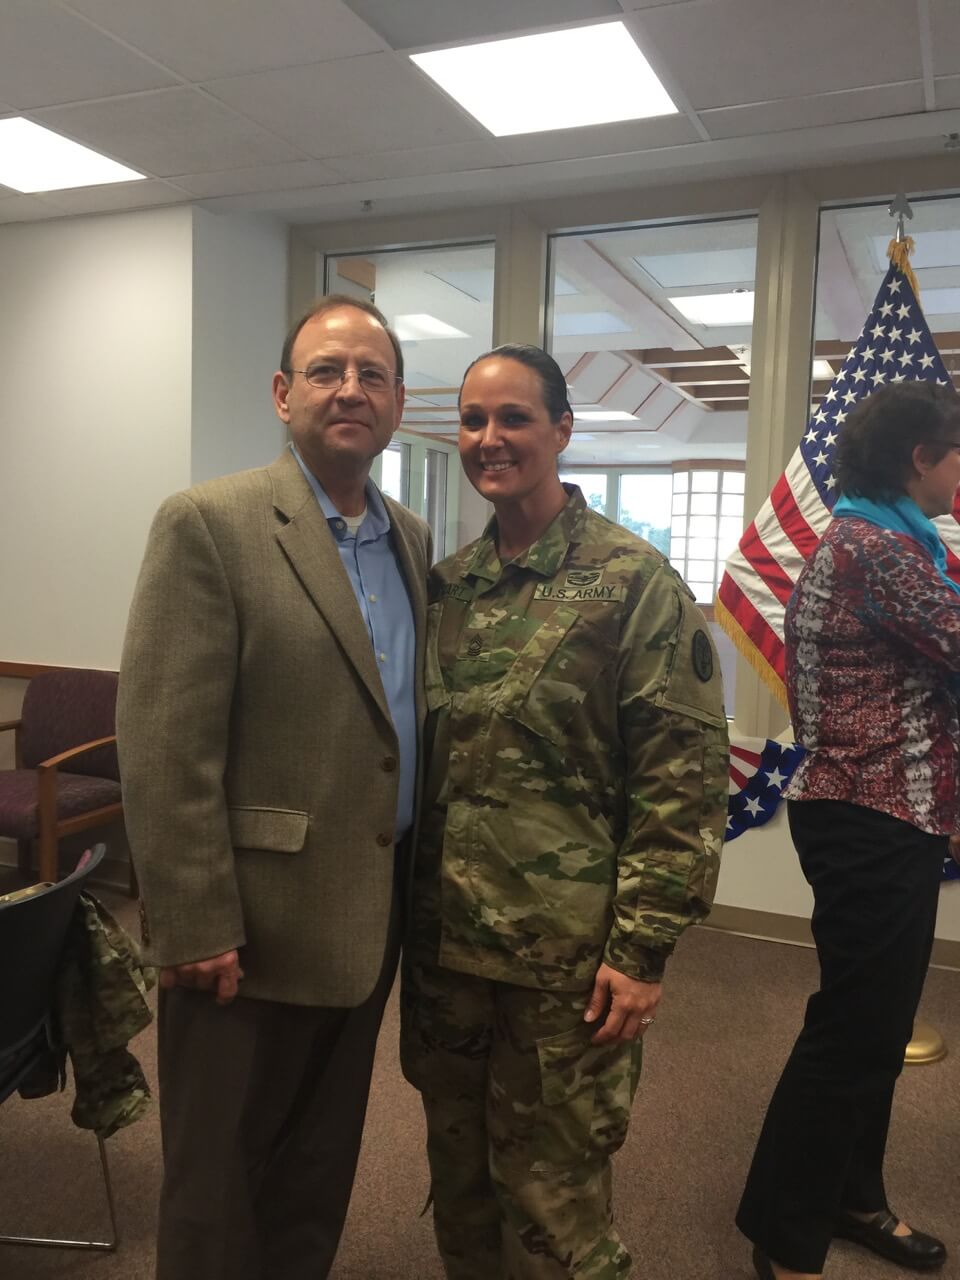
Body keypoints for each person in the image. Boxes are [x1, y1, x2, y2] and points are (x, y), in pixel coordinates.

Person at [117, 295, 431, 1280]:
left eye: (372, 373)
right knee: (220, 1181)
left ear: (397, 401)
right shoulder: (211, 523)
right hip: (245, 933)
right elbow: (167, 739)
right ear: (283, 392)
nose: (351, 389)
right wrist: (193, 917)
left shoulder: (411, 539)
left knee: (317, 1165)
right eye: (329, 370)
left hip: (367, 916)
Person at [400, 343, 729, 1279]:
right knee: (460, 1186)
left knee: (554, 1205)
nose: (490, 439)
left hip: (566, 966)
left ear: (562, 431)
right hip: (446, 952)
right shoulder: (448, 587)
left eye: (514, 419)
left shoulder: (632, 584)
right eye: (472, 421)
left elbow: (684, 779)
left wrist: (642, 949)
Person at [737, 381, 960, 1280]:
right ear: (920, 458)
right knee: (850, 1035)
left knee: (876, 1028)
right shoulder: (876, 549)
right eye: (956, 453)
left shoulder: (896, 541)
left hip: (894, 814)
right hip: (868, 818)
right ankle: (782, 1237)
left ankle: (852, 1198)